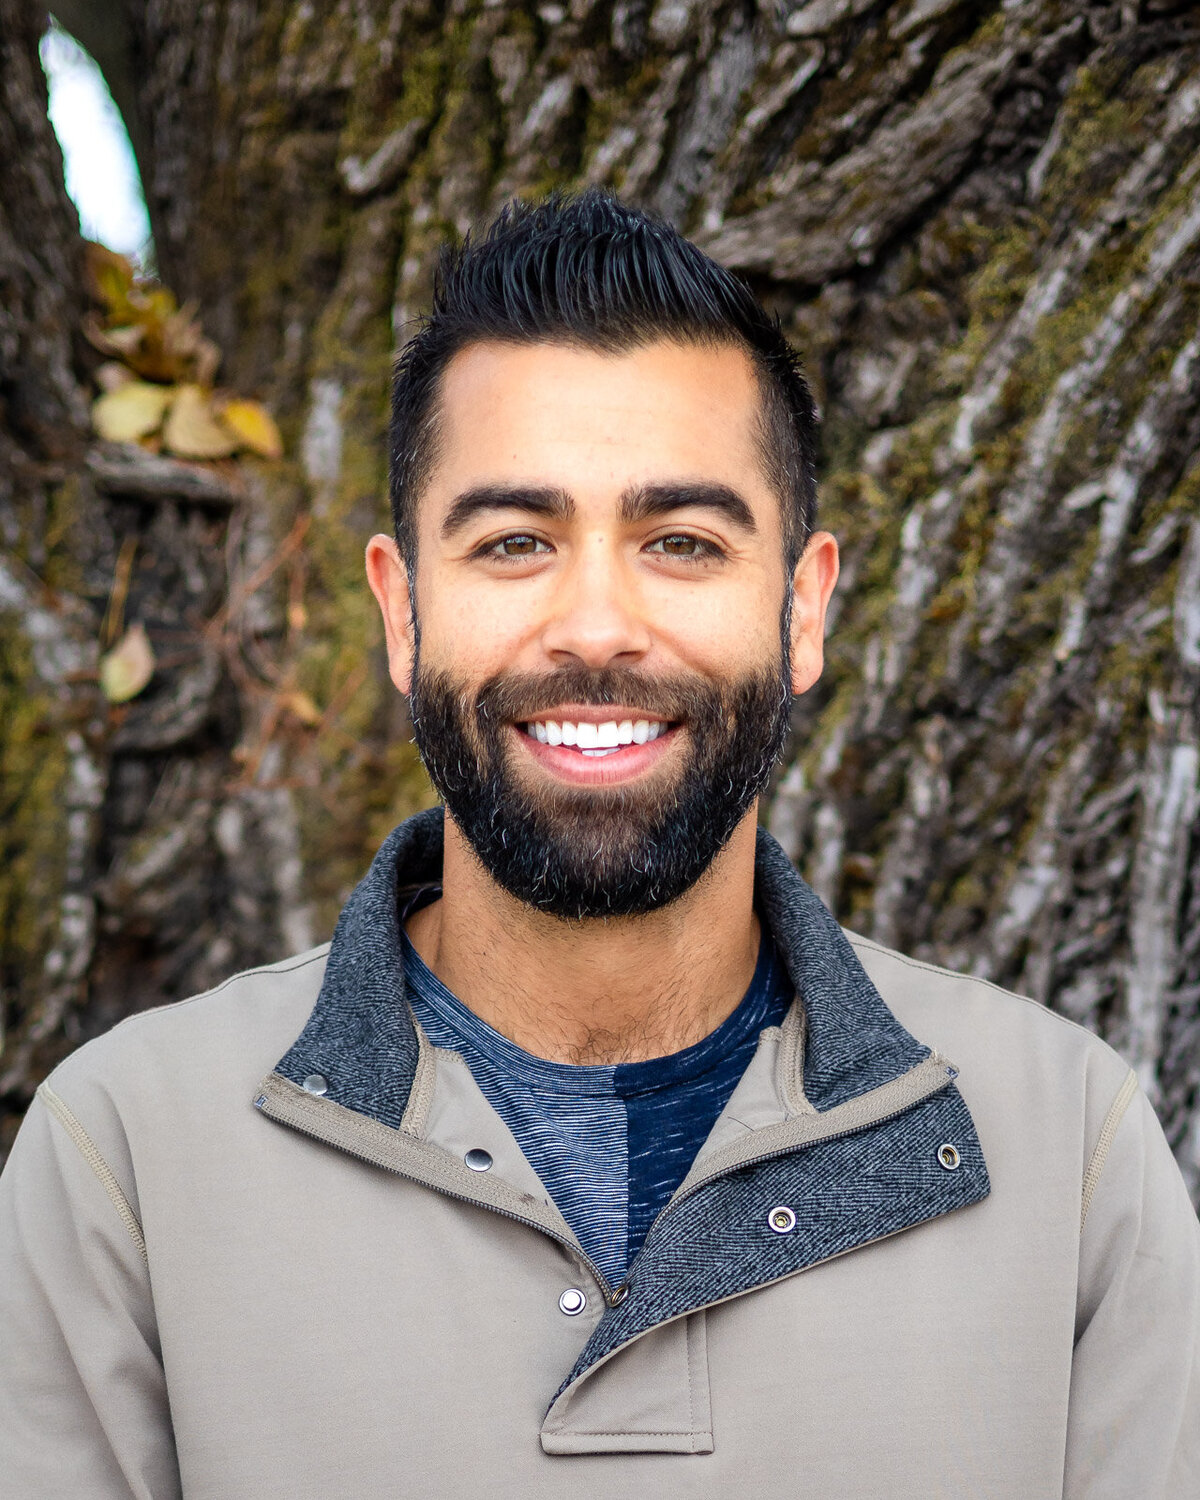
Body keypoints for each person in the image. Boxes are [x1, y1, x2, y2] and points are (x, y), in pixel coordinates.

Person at [1, 191, 1197, 1500]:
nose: (595, 627)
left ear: (803, 609)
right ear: (401, 614)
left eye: (680, 542)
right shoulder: (127, 1157)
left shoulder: (1069, 1148)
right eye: (516, 542)